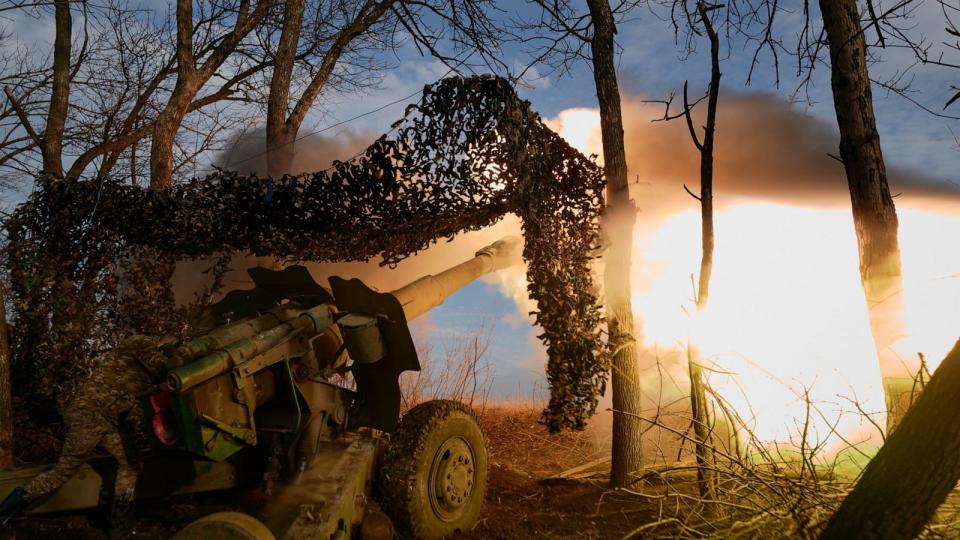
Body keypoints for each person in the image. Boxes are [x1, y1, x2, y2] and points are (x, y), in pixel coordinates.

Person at [0, 334, 175, 532]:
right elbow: (165, 368)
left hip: (109, 418)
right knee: (62, 472)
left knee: (131, 464)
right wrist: (180, 358)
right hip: (89, 415)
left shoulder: (142, 368)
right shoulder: (142, 343)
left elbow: (148, 389)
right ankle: (6, 511)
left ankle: (122, 528)